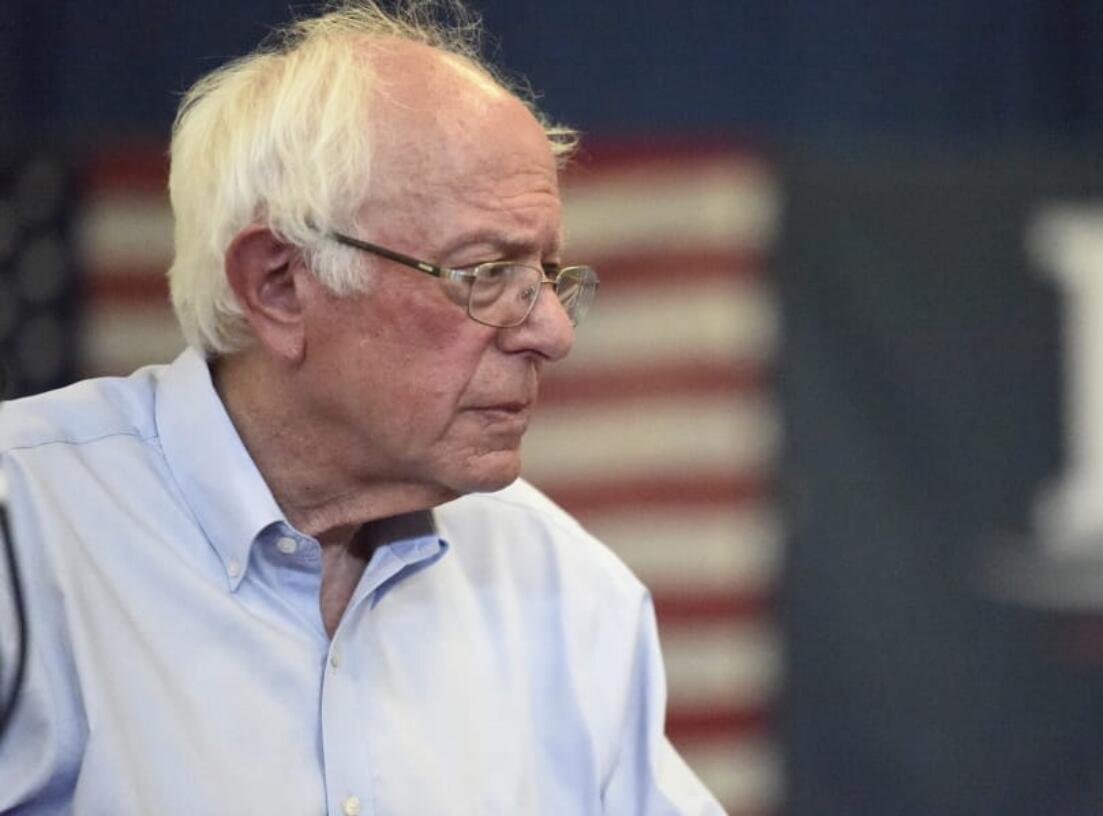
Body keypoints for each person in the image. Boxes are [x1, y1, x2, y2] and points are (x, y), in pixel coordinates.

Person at [0, 1, 724, 813]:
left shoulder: (566, 593)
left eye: (549, 275)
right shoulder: (23, 534)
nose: (552, 332)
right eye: (485, 272)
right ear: (277, 285)